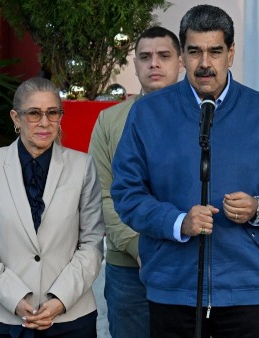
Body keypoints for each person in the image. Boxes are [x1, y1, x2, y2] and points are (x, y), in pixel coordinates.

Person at [110, 4, 259, 338]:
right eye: (195, 52)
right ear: (183, 56)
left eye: (215, 51)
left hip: (244, 289)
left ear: (230, 54)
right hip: (172, 286)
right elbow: (127, 193)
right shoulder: (148, 113)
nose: (205, 63)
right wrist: (177, 222)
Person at [0, 77, 104, 337]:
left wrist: (60, 300)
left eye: (53, 113)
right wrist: (14, 299)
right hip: (4, 317)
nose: (45, 122)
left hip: (71, 316)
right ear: (16, 117)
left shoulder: (82, 166)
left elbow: (91, 243)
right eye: (34, 113)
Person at [88, 26, 183, 338]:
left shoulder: (205, 116)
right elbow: (102, 194)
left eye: (164, 56)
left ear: (180, 61)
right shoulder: (110, 121)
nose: (154, 63)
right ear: (135, 64)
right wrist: (137, 246)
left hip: (188, 264)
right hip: (128, 269)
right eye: (145, 57)